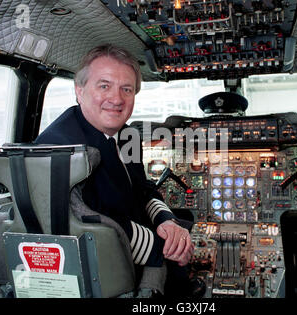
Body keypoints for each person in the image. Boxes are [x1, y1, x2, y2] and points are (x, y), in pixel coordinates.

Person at [35, 44, 194, 295]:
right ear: (79, 90)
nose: (117, 99)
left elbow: (143, 189)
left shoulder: (127, 134)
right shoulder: (60, 147)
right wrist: (166, 246)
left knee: (183, 224)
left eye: (126, 89)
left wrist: (167, 221)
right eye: (104, 85)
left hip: (126, 233)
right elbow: (88, 221)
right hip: (100, 258)